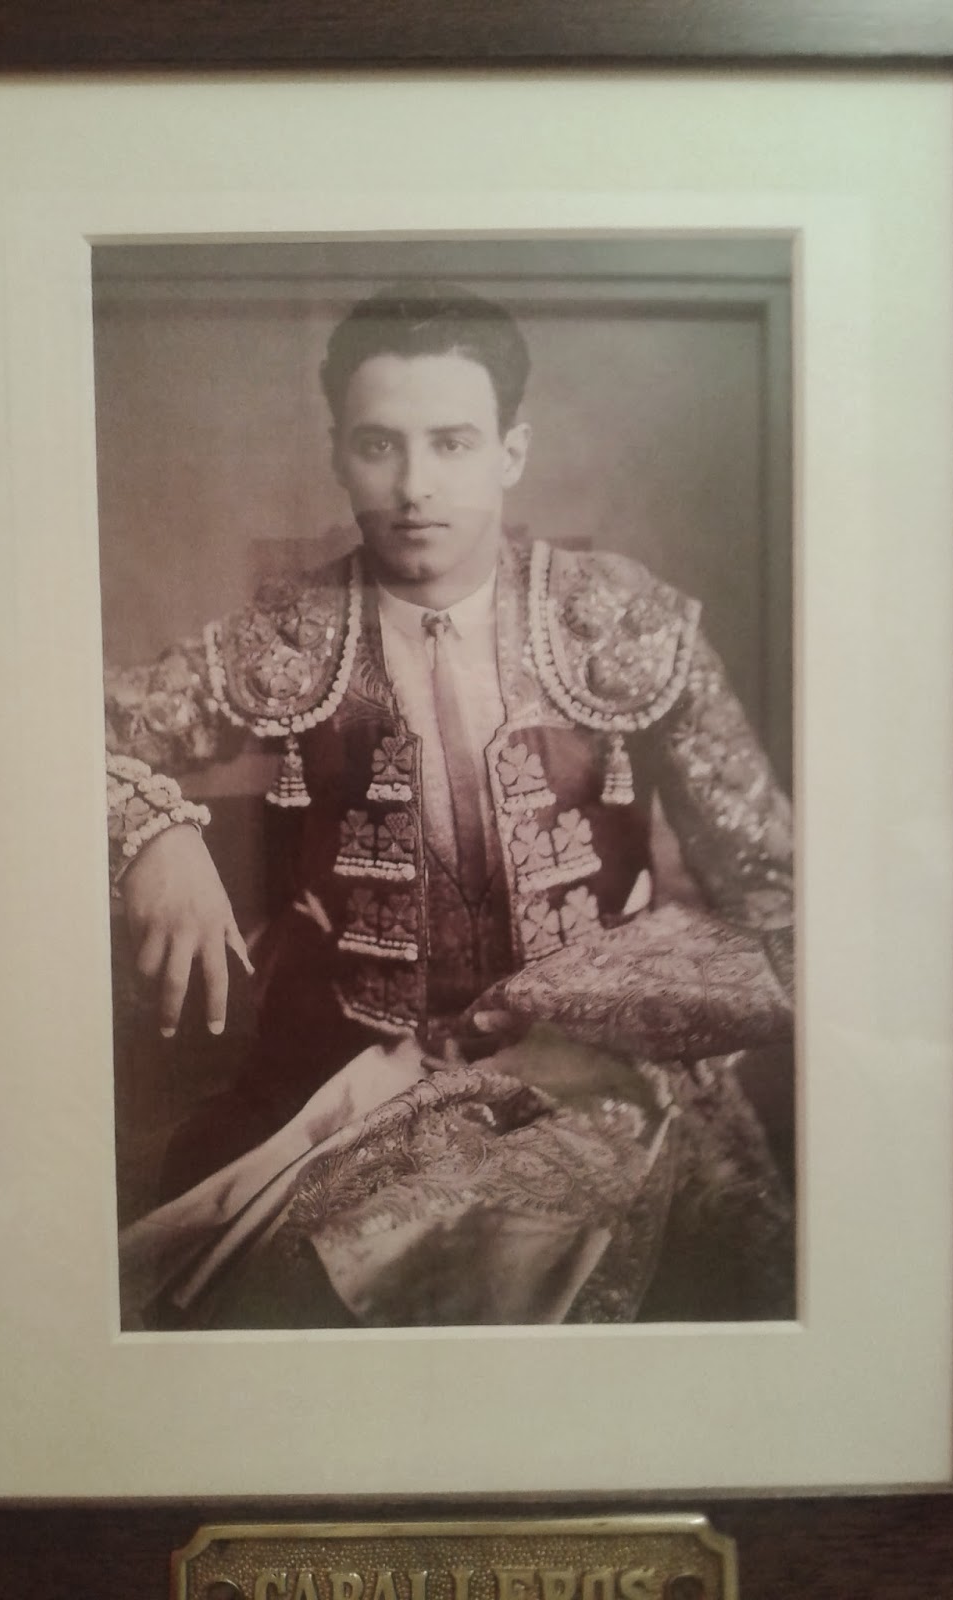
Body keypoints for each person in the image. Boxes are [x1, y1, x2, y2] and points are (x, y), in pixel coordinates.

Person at [106, 282, 795, 1329]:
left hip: (597, 1079)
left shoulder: (620, 620)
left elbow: (776, 898)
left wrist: (629, 1006)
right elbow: (60, 730)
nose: (414, 486)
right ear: (339, 454)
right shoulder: (289, 631)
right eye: (379, 445)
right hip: (347, 1081)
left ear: (511, 452)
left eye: (453, 443)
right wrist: (153, 830)